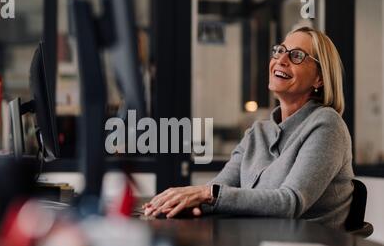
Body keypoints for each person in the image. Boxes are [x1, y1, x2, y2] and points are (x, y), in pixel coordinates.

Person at [144, 26, 354, 230]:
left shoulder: (327, 125)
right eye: (279, 51)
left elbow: (290, 203)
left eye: (296, 55)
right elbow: (221, 188)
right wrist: (184, 205)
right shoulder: (257, 132)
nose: (281, 60)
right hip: (258, 241)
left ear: (319, 78)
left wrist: (207, 195)